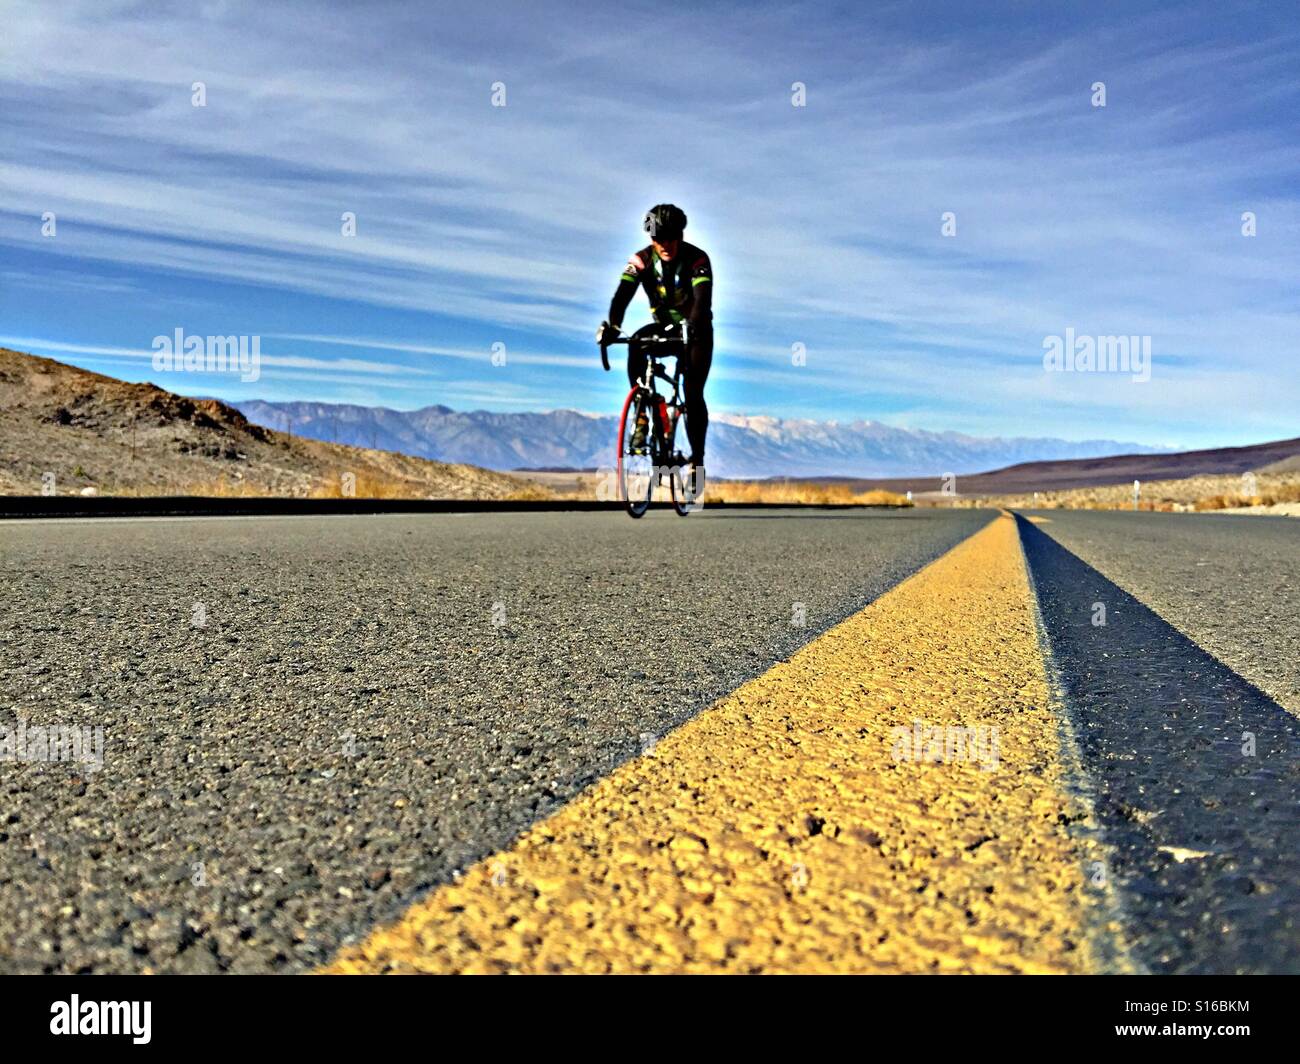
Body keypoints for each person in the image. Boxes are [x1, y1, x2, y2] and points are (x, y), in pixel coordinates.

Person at [598, 204, 712, 491]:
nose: (665, 245)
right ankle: (642, 414)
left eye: (671, 238)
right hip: (663, 327)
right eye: (658, 239)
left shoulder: (698, 258)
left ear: (681, 234)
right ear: (651, 238)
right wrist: (613, 325)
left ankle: (697, 461)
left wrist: (694, 325)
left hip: (696, 330)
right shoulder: (640, 260)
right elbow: (622, 295)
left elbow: (702, 301)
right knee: (636, 342)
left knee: (692, 392)